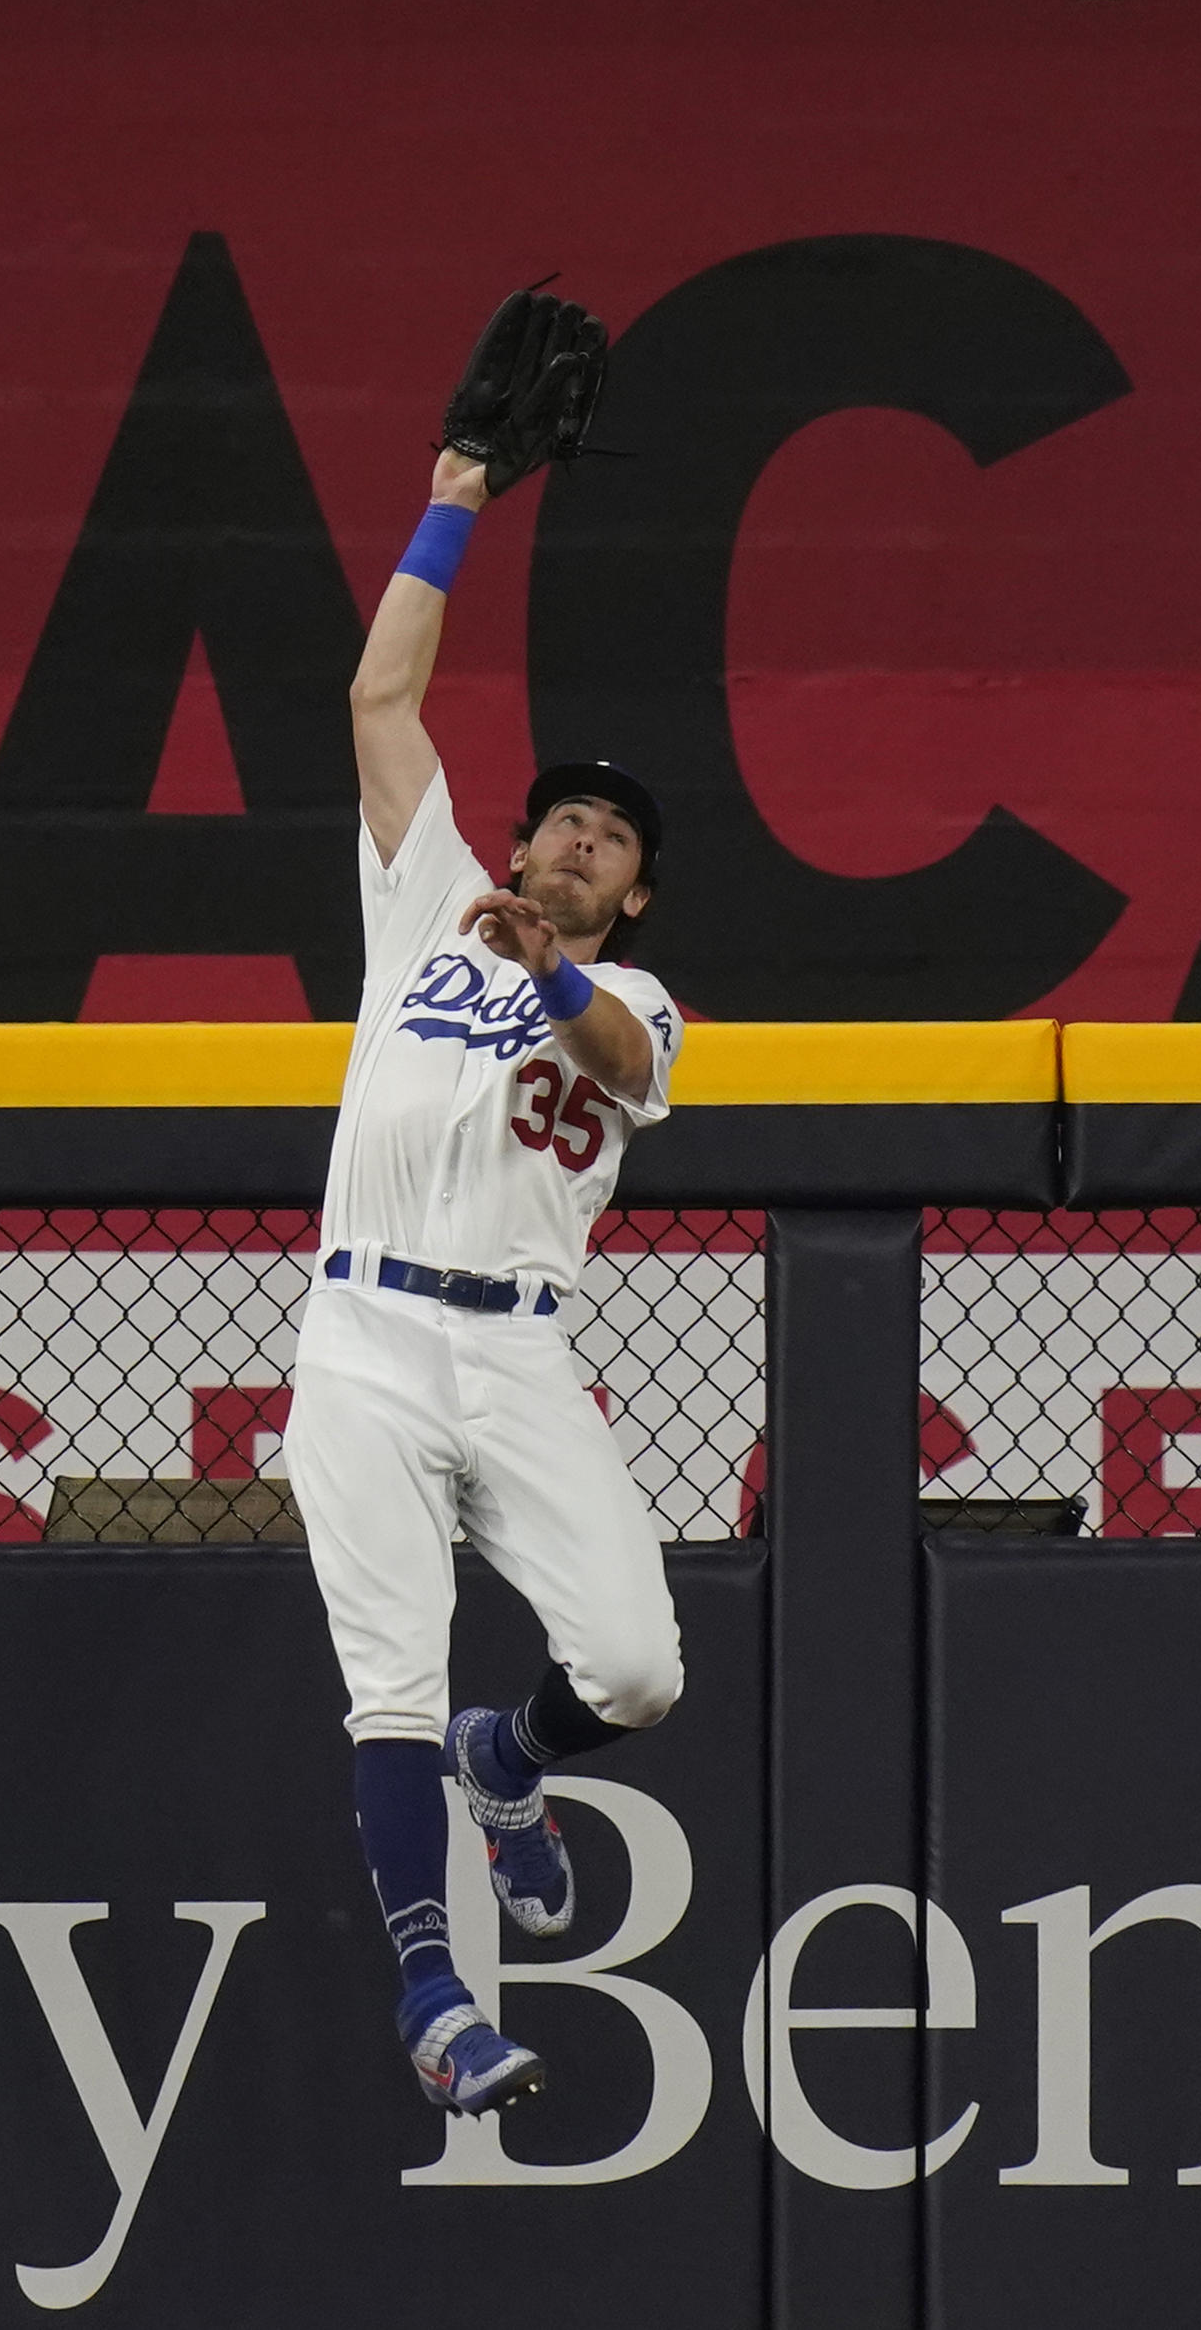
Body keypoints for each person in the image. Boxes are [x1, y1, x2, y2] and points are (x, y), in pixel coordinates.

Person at [288, 287, 686, 2120]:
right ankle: (435, 1993)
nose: (575, 840)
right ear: (515, 838)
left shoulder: (640, 1003)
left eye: (610, 838)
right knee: (381, 1678)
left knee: (635, 1664)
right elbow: (379, 692)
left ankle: (511, 1758)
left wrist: (541, 973)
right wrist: (454, 486)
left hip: (517, 1352)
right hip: (363, 1329)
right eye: (561, 821)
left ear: (633, 895)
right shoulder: (425, 885)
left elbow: (607, 1050)